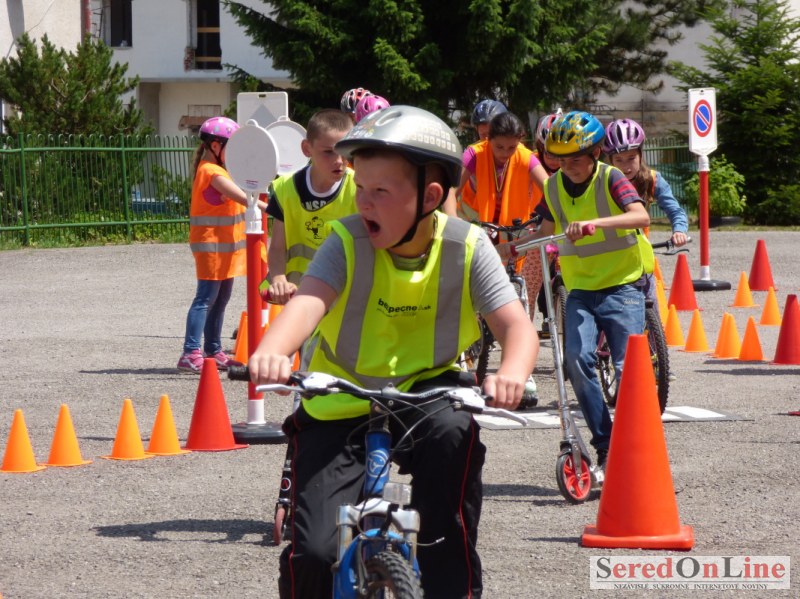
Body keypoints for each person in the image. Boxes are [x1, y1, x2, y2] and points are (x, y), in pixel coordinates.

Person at [248, 105, 538, 599]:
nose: (363, 202)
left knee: (450, 480)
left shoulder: (467, 246)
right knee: (314, 553)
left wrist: (512, 371)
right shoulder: (345, 241)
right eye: (360, 187)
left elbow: (517, 327)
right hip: (340, 397)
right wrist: (273, 351)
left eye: (380, 192)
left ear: (430, 197)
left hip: (428, 391)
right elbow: (306, 304)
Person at [499, 111, 654, 471]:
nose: (567, 166)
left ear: (595, 154)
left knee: (627, 369)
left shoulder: (611, 178)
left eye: (575, 159)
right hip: (581, 289)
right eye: (560, 159)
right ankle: (606, 446)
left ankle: (637, 448)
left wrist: (594, 224)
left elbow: (641, 216)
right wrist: (512, 247)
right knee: (576, 360)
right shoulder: (554, 186)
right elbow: (545, 231)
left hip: (622, 286)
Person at [445, 110, 549, 407]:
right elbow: (451, 188)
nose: (505, 153)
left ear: (521, 141)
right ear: (487, 139)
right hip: (480, 230)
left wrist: (554, 215)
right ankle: (461, 357)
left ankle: (521, 370)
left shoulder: (526, 158)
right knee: (468, 292)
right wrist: (453, 221)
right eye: (499, 146)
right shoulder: (473, 154)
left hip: (517, 234)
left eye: (511, 147)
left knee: (522, 297)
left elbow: (551, 189)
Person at [178, 116, 262, 373]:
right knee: (205, 298)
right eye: (231, 148)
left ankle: (213, 350)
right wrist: (274, 208)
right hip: (211, 246)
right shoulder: (211, 172)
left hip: (224, 247)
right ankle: (190, 352)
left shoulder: (221, 170)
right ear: (215, 146)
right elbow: (244, 198)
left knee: (221, 297)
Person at [262, 109, 356, 305]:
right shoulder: (285, 188)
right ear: (307, 149)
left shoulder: (360, 186)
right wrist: (278, 279)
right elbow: (277, 248)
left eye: (345, 151)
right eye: (328, 152)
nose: (339, 160)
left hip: (345, 297)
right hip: (300, 295)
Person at [602, 117, 689, 306]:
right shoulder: (600, 181)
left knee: (650, 306)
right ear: (610, 160)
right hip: (606, 255)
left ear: (641, 155)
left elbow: (675, 210)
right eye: (619, 160)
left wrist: (679, 230)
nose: (626, 166)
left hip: (639, 256)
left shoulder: (652, 179)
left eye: (631, 158)